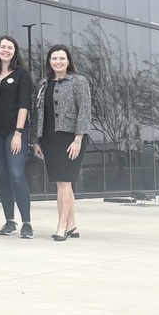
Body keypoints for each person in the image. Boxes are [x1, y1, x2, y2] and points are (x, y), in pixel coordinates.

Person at [33, 44, 92, 241]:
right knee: (62, 183)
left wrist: (78, 139)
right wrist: (37, 141)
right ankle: (73, 226)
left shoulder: (78, 81)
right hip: (50, 139)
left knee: (64, 183)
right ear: (49, 61)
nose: (58, 62)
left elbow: (84, 110)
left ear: (68, 61)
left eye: (62, 58)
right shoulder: (43, 83)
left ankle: (62, 226)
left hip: (70, 139)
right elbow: (40, 114)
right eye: (54, 58)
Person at [0, 35, 34, 239]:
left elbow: (25, 105)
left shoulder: (22, 74)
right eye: (2, 47)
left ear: (15, 51)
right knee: (3, 176)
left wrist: (18, 133)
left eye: (10, 47)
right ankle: (10, 221)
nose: (6, 50)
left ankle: (27, 223)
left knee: (16, 174)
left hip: (14, 133)